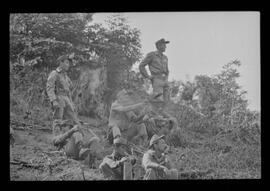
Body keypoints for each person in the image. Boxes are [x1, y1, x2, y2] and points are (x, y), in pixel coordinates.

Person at [47, 54, 102, 164]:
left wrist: (72, 103)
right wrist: (53, 100)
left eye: (68, 63)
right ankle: (63, 144)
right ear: (61, 63)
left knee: (76, 122)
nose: (68, 65)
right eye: (66, 63)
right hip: (59, 98)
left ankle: (84, 148)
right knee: (58, 120)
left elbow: (70, 91)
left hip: (67, 99)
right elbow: (49, 87)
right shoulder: (54, 73)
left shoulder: (66, 76)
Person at [139, 38, 170, 102]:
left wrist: (166, 78)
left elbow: (167, 70)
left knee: (167, 102)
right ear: (158, 46)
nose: (165, 47)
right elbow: (141, 66)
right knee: (158, 101)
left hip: (165, 81)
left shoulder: (165, 57)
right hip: (157, 80)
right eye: (164, 45)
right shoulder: (152, 55)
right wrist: (148, 76)